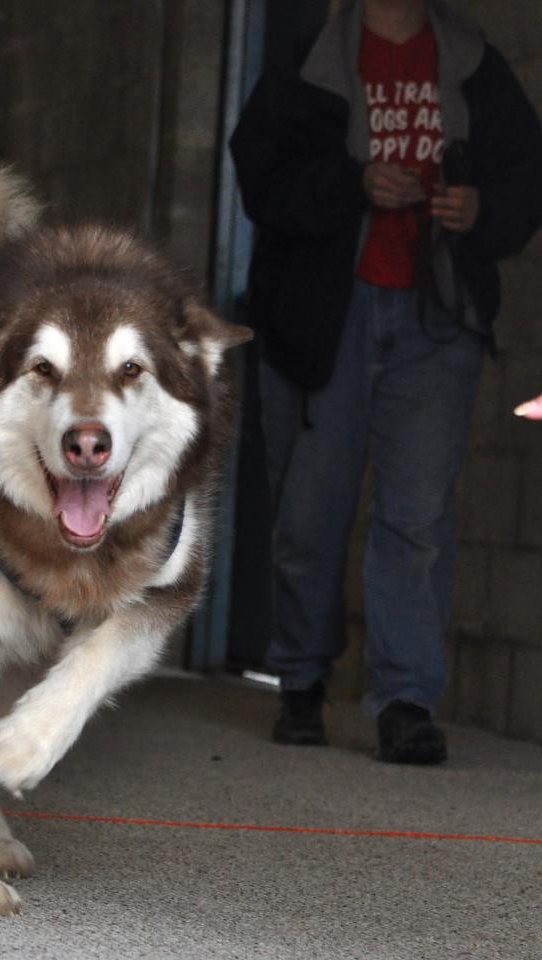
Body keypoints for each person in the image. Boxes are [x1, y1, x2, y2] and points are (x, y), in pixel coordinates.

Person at [230, 0, 542, 763]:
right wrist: (355, 183)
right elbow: (262, 183)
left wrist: (481, 209)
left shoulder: (473, 61)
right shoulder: (309, 59)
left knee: (418, 515)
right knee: (311, 512)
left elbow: (525, 177)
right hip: (328, 315)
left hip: (436, 319)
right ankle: (300, 679)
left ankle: (406, 701)